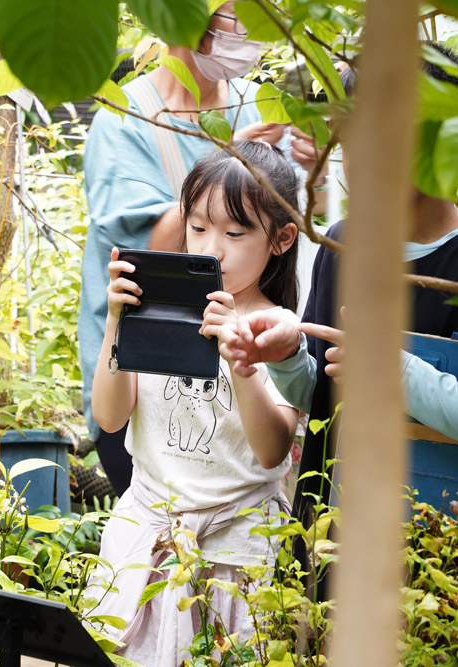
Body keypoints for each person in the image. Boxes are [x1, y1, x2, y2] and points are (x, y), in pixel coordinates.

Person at [218, 46, 458, 538]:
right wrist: (287, 358)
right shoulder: (343, 245)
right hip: (325, 552)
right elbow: (324, 394)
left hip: (432, 574)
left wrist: (400, 374)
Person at [79, 1, 322, 495]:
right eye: (233, 18)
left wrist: (318, 163)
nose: (215, 249)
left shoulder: (263, 103)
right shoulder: (126, 120)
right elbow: (146, 259)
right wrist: (227, 164)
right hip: (151, 373)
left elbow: (297, 222)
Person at [87, 141, 301, 665]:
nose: (212, 249)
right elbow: (110, 418)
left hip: (235, 550)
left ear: (281, 239)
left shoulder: (280, 331)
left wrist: (242, 360)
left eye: (234, 232)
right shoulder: (156, 309)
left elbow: (273, 451)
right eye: (199, 228)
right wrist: (117, 319)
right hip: (144, 541)